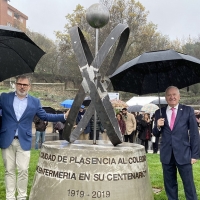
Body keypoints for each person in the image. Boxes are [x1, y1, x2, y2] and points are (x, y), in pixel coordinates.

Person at [0, 74, 69, 200]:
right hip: (7, 139)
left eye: (25, 85)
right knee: (9, 170)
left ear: (29, 86)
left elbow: (46, 116)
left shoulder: (35, 101)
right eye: (20, 84)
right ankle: (10, 197)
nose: (22, 87)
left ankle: (21, 197)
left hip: (24, 141)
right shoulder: (4, 97)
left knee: (23, 170)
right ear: (15, 84)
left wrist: (63, 117)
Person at [153, 86, 199, 200]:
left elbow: (194, 133)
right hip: (167, 156)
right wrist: (158, 126)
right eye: (169, 95)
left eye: (174, 94)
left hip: (184, 154)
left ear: (179, 97)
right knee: (170, 186)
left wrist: (195, 155)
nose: (172, 97)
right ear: (165, 97)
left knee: (189, 186)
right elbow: (155, 133)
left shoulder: (188, 110)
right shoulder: (159, 112)